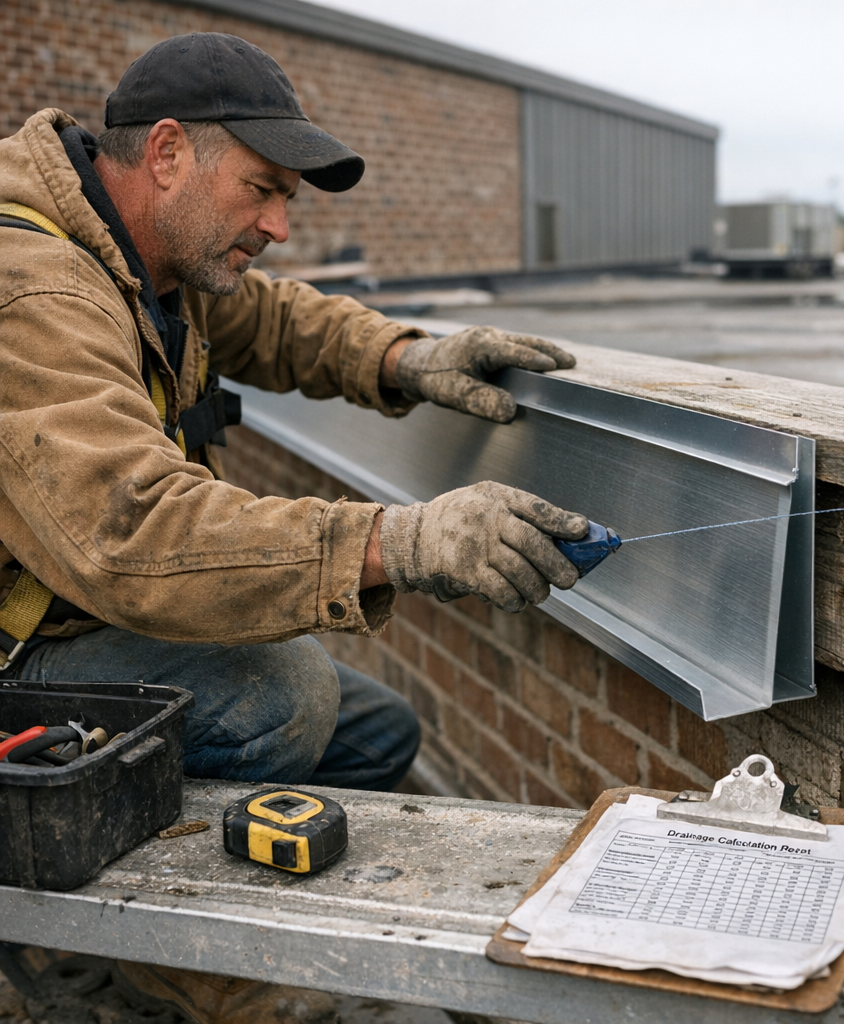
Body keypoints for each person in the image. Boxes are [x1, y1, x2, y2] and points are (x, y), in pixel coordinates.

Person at [0, 32, 588, 1024]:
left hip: (74, 619)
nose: (277, 225)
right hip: (21, 656)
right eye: (261, 190)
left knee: (375, 733)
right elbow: (130, 531)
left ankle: (224, 904)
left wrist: (407, 358)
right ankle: (176, 958)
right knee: (283, 697)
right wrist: (395, 541)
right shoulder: (36, 291)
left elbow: (270, 320)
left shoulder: (135, 247)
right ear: (171, 153)